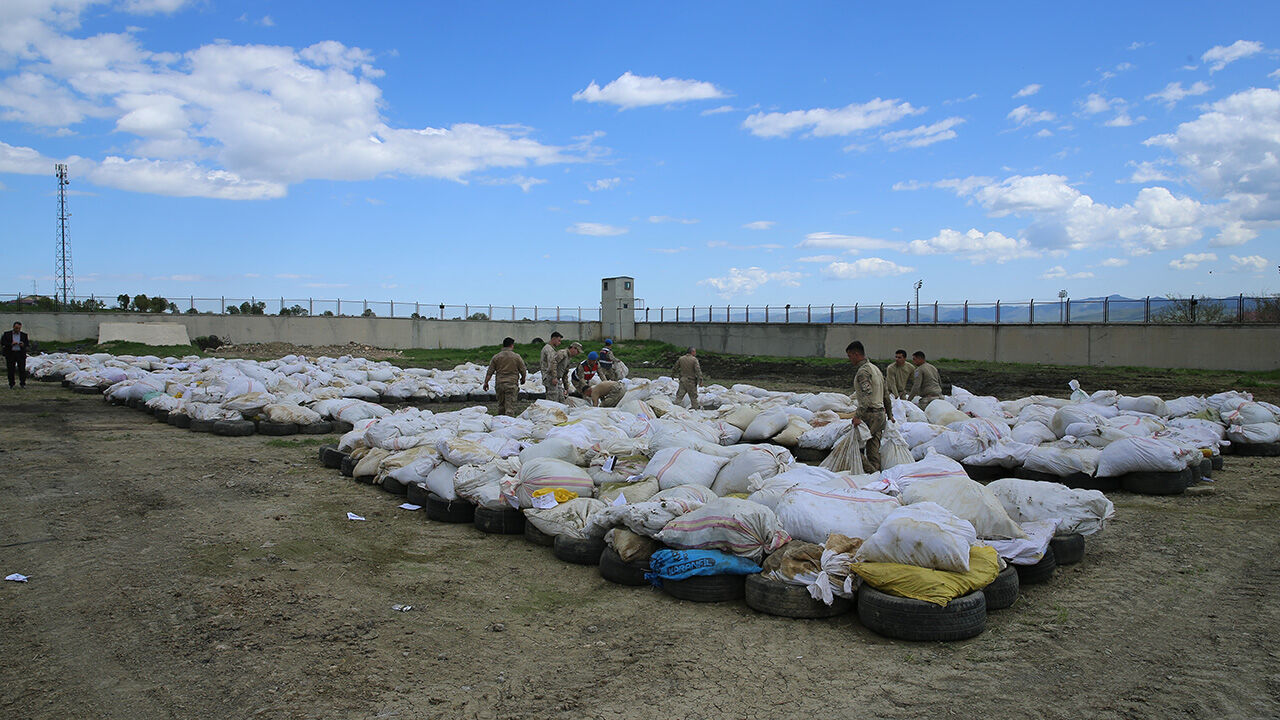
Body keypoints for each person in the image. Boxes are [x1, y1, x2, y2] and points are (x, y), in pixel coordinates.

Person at [846, 340, 893, 473]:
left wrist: (857, 416)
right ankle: (876, 474)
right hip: (880, 415)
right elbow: (886, 395)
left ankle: (872, 474)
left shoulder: (863, 372)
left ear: (856, 354)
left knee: (855, 448)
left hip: (869, 415)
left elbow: (866, 396)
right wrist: (890, 415)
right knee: (873, 448)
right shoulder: (876, 369)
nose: (849, 359)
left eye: (850, 356)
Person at [482, 337, 527, 417]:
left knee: (501, 406)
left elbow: (490, 372)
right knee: (510, 407)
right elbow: (523, 369)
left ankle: (500, 423)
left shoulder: (496, 357)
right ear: (512, 345)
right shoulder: (516, 357)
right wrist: (523, 378)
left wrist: (486, 382)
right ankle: (508, 425)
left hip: (500, 384)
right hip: (511, 384)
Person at [3, 321, 30, 389]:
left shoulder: (24, 335)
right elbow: (3, 342)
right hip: (11, 354)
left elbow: (27, 344)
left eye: (19, 328)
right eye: (16, 328)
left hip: (20, 354)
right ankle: (11, 384)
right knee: (11, 369)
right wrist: (11, 344)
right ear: (13, 327)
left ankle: (22, 383)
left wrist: (23, 345)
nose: (17, 330)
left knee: (22, 369)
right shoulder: (7, 334)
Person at [540, 332, 565, 402]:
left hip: (549, 376)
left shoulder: (549, 348)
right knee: (552, 399)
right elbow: (552, 364)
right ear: (553, 339)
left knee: (558, 397)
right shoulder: (549, 350)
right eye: (559, 340)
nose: (559, 343)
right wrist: (554, 377)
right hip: (549, 377)